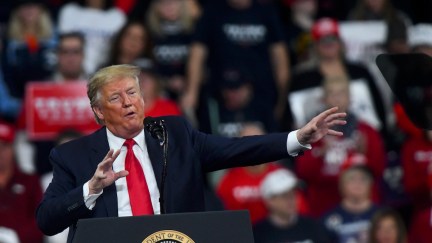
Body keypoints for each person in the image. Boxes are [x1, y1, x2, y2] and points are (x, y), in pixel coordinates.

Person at [35, 64, 346, 242]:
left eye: (133, 93)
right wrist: (91, 188)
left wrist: (296, 137)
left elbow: (236, 149)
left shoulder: (175, 134)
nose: (128, 103)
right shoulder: (73, 156)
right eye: (116, 98)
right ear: (99, 112)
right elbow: (47, 221)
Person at [183, 0, 290, 123]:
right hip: (221, 93)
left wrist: (282, 98)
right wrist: (192, 92)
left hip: (261, 94)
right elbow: (197, 53)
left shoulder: (266, 11)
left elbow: (280, 56)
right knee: (218, 139)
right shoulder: (212, 10)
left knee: (260, 139)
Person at [296, 76, 386, 217]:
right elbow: (303, 173)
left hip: (363, 207)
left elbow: (379, 170)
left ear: (350, 98)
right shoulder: (312, 132)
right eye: (332, 93)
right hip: (324, 205)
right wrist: (320, 154)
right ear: (323, 99)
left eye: (342, 93)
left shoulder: (366, 130)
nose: (337, 98)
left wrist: (365, 153)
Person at [285, 18, 387, 134]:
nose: (328, 44)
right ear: (315, 46)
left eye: (332, 39)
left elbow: (378, 108)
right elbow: (291, 119)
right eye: (323, 40)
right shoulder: (302, 79)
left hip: (365, 137)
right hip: (317, 143)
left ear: (340, 42)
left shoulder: (360, 72)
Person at [216, 124, 282, 224]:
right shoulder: (229, 180)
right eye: (247, 143)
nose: (253, 147)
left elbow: (299, 212)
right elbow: (222, 217)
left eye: (258, 141)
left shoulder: (280, 175)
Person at [253, 169, 332, 243]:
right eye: (284, 195)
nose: (291, 200)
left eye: (293, 194)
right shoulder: (258, 234)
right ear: (269, 201)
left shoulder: (313, 226)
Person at [2, 0, 57, 99]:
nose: (29, 9)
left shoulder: (54, 40)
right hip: (18, 101)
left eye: (33, 5)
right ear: (17, 11)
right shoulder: (9, 45)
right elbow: (6, 77)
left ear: (42, 10)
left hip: (50, 99)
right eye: (24, 5)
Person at [146, 0, 199, 100]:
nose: (169, 6)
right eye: (163, 3)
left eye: (174, 2)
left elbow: (201, 64)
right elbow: (146, 65)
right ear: (155, 6)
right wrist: (166, 82)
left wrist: (187, 82)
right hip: (159, 91)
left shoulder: (194, 29)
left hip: (189, 91)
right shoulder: (149, 32)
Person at [0, 120, 43, 243]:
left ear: (13, 149)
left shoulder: (30, 181)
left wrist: (16, 237)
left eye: (4, 146)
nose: (0, 152)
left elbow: (40, 220)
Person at [57, 0, 126, 74]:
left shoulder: (118, 17)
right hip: (73, 71)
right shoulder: (69, 11)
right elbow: (65, 45)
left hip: (106, 71)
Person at [322, 165, 380, 243]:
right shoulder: (329, 219)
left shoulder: (382, 215)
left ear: (370, 185)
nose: (358, 183)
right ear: (342, 185)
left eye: (363, 179)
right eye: (352, 178)